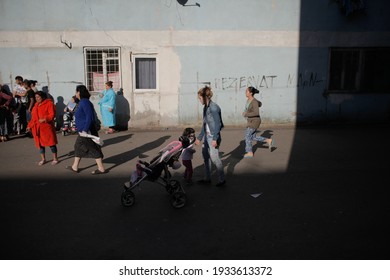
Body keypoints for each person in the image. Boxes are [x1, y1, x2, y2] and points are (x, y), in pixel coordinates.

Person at [66, 85, 106, 175]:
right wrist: (72, 101)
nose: (75, 94)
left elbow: (90, 117)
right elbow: (69, 109)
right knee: (78, 146)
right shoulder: (81, 102)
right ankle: (74, 167)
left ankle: (101, 168)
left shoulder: (85, 102)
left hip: (87, 131)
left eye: (76, 92)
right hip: (83, 131)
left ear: (79, 92)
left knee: (93, 148)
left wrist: (85, 130)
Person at [195, 86, 226, 187]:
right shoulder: (205, 108)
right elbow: (205, 124)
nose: (199, 100)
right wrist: (200, 137)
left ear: (205, 97)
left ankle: (222, 179)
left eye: (200, 98)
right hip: (207, 137)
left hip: (213, 137)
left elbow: (218, 124)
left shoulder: (213, 107)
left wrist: (215, 139)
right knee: (206, 157)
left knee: (214, 158)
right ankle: (207, 178)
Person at [27, 91, 59, 165]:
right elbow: (33, 118)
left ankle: (55, 158)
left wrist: (45, 119)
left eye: (38, 97)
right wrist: (29, 126)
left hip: (46, 128)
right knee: (40, 145)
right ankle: (43, 159)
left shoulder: (49, 104)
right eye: (35, 97)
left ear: (43, 97)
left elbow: (52, 114)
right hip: (37, 129)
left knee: (51, 143)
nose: (37, 99)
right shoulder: (35, 106)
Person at [242, 86, 274, 158]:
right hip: (251, 121)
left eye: (247, 91)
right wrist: (245, 112)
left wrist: (246, 114)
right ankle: (268, 140)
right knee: (252, 136)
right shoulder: (248, 100)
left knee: (247, 135)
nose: (245, 92)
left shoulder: (254, 101)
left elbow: (256, 113)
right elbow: (257, 105)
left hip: (255, 121)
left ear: (251, 93)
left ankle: (249, 152)